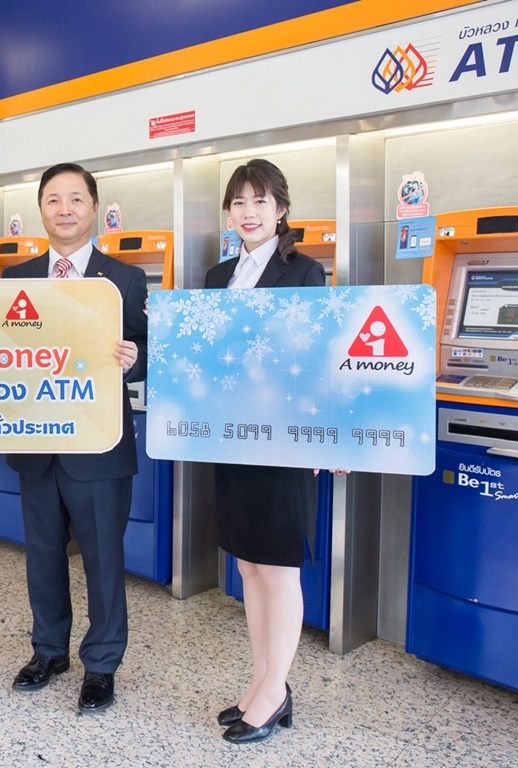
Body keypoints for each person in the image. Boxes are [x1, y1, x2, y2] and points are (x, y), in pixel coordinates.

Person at [1, 163, 147, 713]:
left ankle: (102, 665)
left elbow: (149, 351)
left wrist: (135, 360)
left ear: (94, 208)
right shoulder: (14, 279)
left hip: (99, 446)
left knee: (103, 560)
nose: (64, 209)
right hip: (36, 443)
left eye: (75, 199)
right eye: (53, 199)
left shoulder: (124, 278)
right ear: (41, 208)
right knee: (41, 555)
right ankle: (48, 651)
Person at [206, 158, 326, 745]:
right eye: (238, 202)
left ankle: (275, 691)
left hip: (283, 441)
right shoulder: (217, 275)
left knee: (278, 569)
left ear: (281, 209)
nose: (248, 212)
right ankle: (262, 682)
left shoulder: (304, 271)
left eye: (260, 201)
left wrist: (328, 432)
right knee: (249, 565)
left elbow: (317, 356)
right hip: (231, 438)